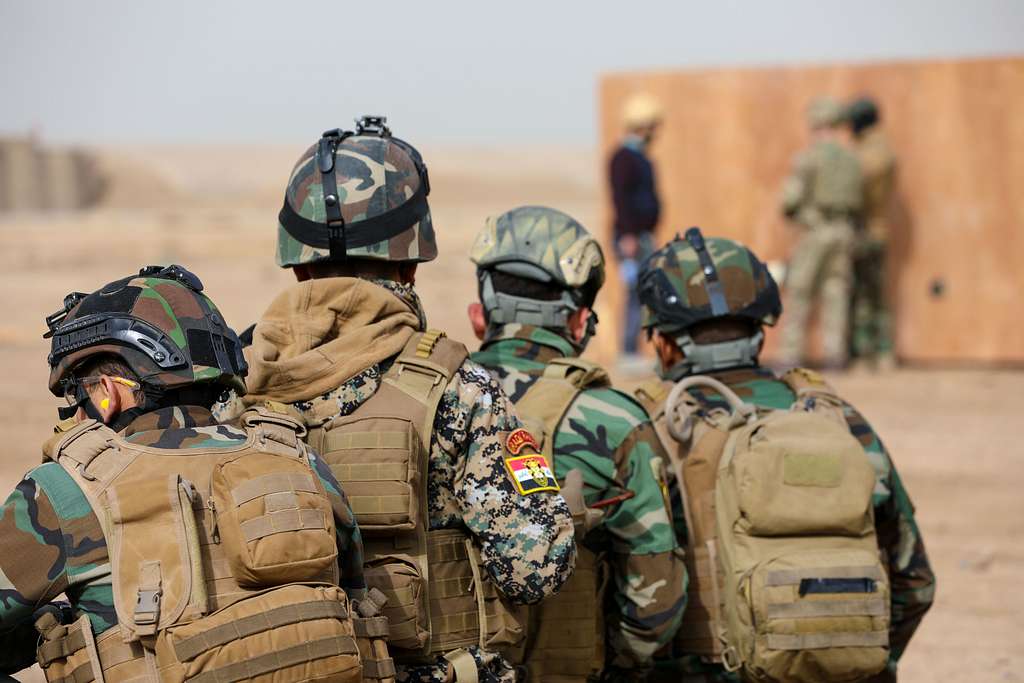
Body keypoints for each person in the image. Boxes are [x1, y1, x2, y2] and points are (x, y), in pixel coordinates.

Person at [214, 117, 576, 683]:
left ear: (298, 263)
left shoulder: (230, 385)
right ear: (411, 261)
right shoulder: (458, 389)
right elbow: (539, 567)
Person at [0, 265, 371, 681]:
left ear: (109, 391)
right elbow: (358, 601)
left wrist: (53, 625)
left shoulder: (65, 491)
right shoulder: (300, 460)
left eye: (78, 389)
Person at [634, 230, 935, 683]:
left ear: (665, 341)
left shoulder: (647, 428)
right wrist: (855, 661)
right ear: (760, 327)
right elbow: (914, 580)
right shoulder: (834, 416)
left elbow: (637, 595)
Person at [467, 206, 688, 682]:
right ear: (580, 322)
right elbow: (657, 594)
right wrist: (614, 664)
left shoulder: (428, 400)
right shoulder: (615, 419)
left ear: (480, 315)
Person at [779, 96, 865, 369]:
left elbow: (790, 200)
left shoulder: (808, 159)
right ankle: (834, 355)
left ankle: (791, 355)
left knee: (800, 291)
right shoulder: (852, 159)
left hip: (816, 230)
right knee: (836, 292)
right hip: (845, 230)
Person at [609, 93, 663, 360]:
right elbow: (621, 198)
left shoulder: (642, 157)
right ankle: (628, 351)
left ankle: (639, 349)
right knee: (633, 293)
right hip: (630, 239)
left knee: (644, 292)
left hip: (643, 237)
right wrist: (628, 236)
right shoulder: (623, 158)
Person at [846, 96, 898, 369]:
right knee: (866, 294)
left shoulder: (872, 150)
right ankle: (871, 352)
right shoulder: (877, 148)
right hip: (871, 228)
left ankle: (876, 351)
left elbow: (861, 181)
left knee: (869, 295)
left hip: (868, 229)